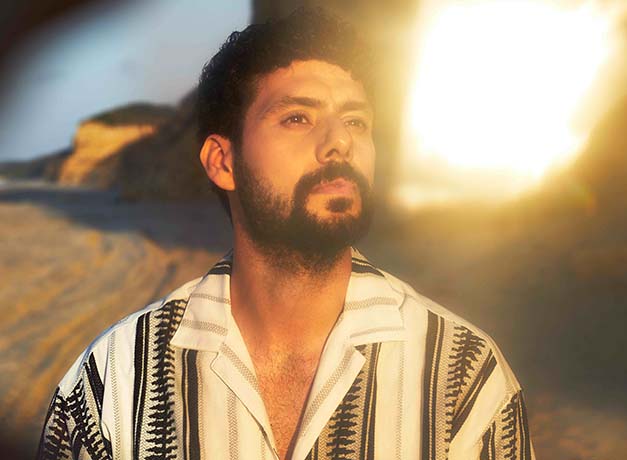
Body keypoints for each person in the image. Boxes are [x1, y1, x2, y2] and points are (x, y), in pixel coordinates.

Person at [37, 8, 534, 460]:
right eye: (297, 118)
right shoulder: (111, 382)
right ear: (223, 162)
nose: (340, 141)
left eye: (356, 121)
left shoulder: (463, 378)